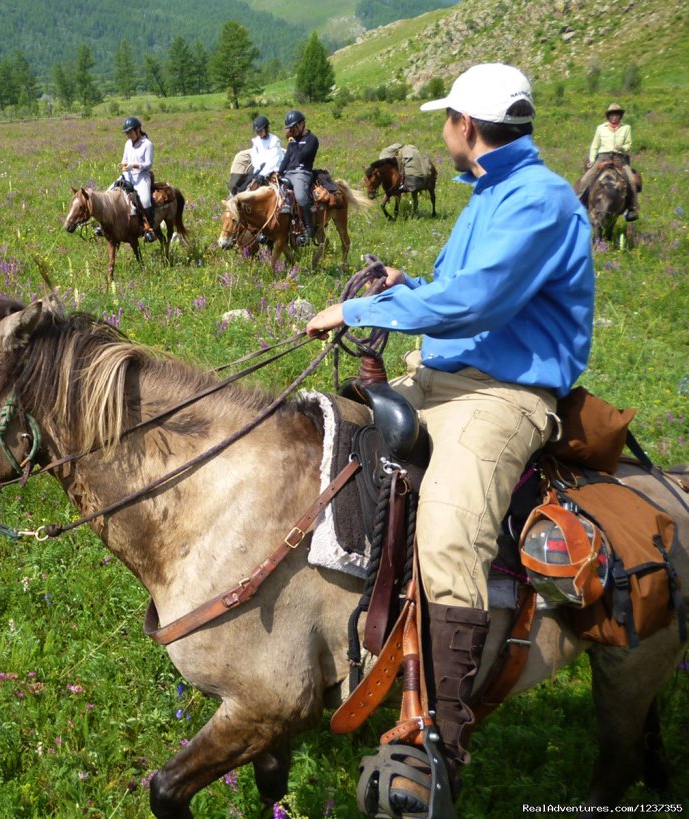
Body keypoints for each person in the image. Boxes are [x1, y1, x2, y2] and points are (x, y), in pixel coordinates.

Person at [306, 63, 594, 816]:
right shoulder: (490, 196)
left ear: (469, 128)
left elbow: (473, 302)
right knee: (334, 452)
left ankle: (436, 732)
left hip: (503, 394)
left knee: (446, 533)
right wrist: (406, 279)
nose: (441, 131)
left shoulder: (540, 201)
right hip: (442, 374)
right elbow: (456, 283)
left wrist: (364, 310)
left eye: (447, 119)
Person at [576, 102, 638, 220]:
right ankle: (579, 203)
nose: (614, 117)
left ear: (620, 116)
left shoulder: (626, 128)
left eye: (617, 115)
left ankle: (632, 208)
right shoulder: (600, 128)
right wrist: (592, 160)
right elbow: (594, 146)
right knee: (585, 179)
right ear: (608, 116)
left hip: (619, 158)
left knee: (632, 181)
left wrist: (623, 148)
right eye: (612, 115)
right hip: (602, 157)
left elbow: (629, 144)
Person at [277, 109, 319, 244]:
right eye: (290, 128)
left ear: (302, 124)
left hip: (302, 173)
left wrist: (293, 143)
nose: (291, 130)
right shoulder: (293, 141)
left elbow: (301, 157)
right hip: (288, 172)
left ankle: (309, 228)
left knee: (300, 196)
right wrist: (279, 172)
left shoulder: (312, 140)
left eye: (294, 127)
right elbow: (287, 158)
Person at [119, 116, 156, 241]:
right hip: (128, 175)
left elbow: (148, 164)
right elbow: (124, 159)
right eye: (127, 133)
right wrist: (124, 165)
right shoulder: (127, 144)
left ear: (138, 129)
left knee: (145, 200)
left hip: (142, 176)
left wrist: (133, 165)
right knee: (110, 191)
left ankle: (149, 228)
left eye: (130, 132)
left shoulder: (147, 144)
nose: (128, 135)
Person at [248, 115, 284, 184]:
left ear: (266, 129)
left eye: (260, 131)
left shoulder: (274, 141)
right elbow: (254, 156)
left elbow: (274, 161)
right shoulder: (256, 141)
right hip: (260, 169)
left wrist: (263, 174)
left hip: (273, 169)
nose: (258, 133)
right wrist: (257, 168)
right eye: (257, 132)